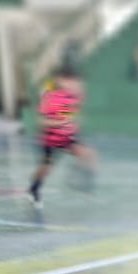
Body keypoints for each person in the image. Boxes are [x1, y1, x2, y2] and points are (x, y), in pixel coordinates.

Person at [28, 69, 98, 209]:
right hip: (50, 140)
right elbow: (42, 122)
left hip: (67, 137)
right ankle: (34, 189)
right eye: (71, 82)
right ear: (61, 81)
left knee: (88, 154)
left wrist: (72, 121)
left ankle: (78, 182)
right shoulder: (50, 98)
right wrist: (60, 123)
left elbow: (70, 113)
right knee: (45, 169)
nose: (75, 85)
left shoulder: (73, 98)